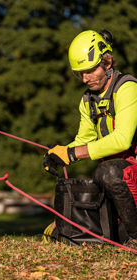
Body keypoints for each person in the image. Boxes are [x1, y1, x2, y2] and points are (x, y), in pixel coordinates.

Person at [42, 30, 137, 245]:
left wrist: (74, 154)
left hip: (126, 174)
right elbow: (83, 140)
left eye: (90, 70)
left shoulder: (128, 88)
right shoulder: (87, 101)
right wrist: (59, 154)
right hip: (119, 182)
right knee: (96, 182)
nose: (85, 78)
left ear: (107, 61)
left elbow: (122, 140)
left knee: (107, 171)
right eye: (80, 73)